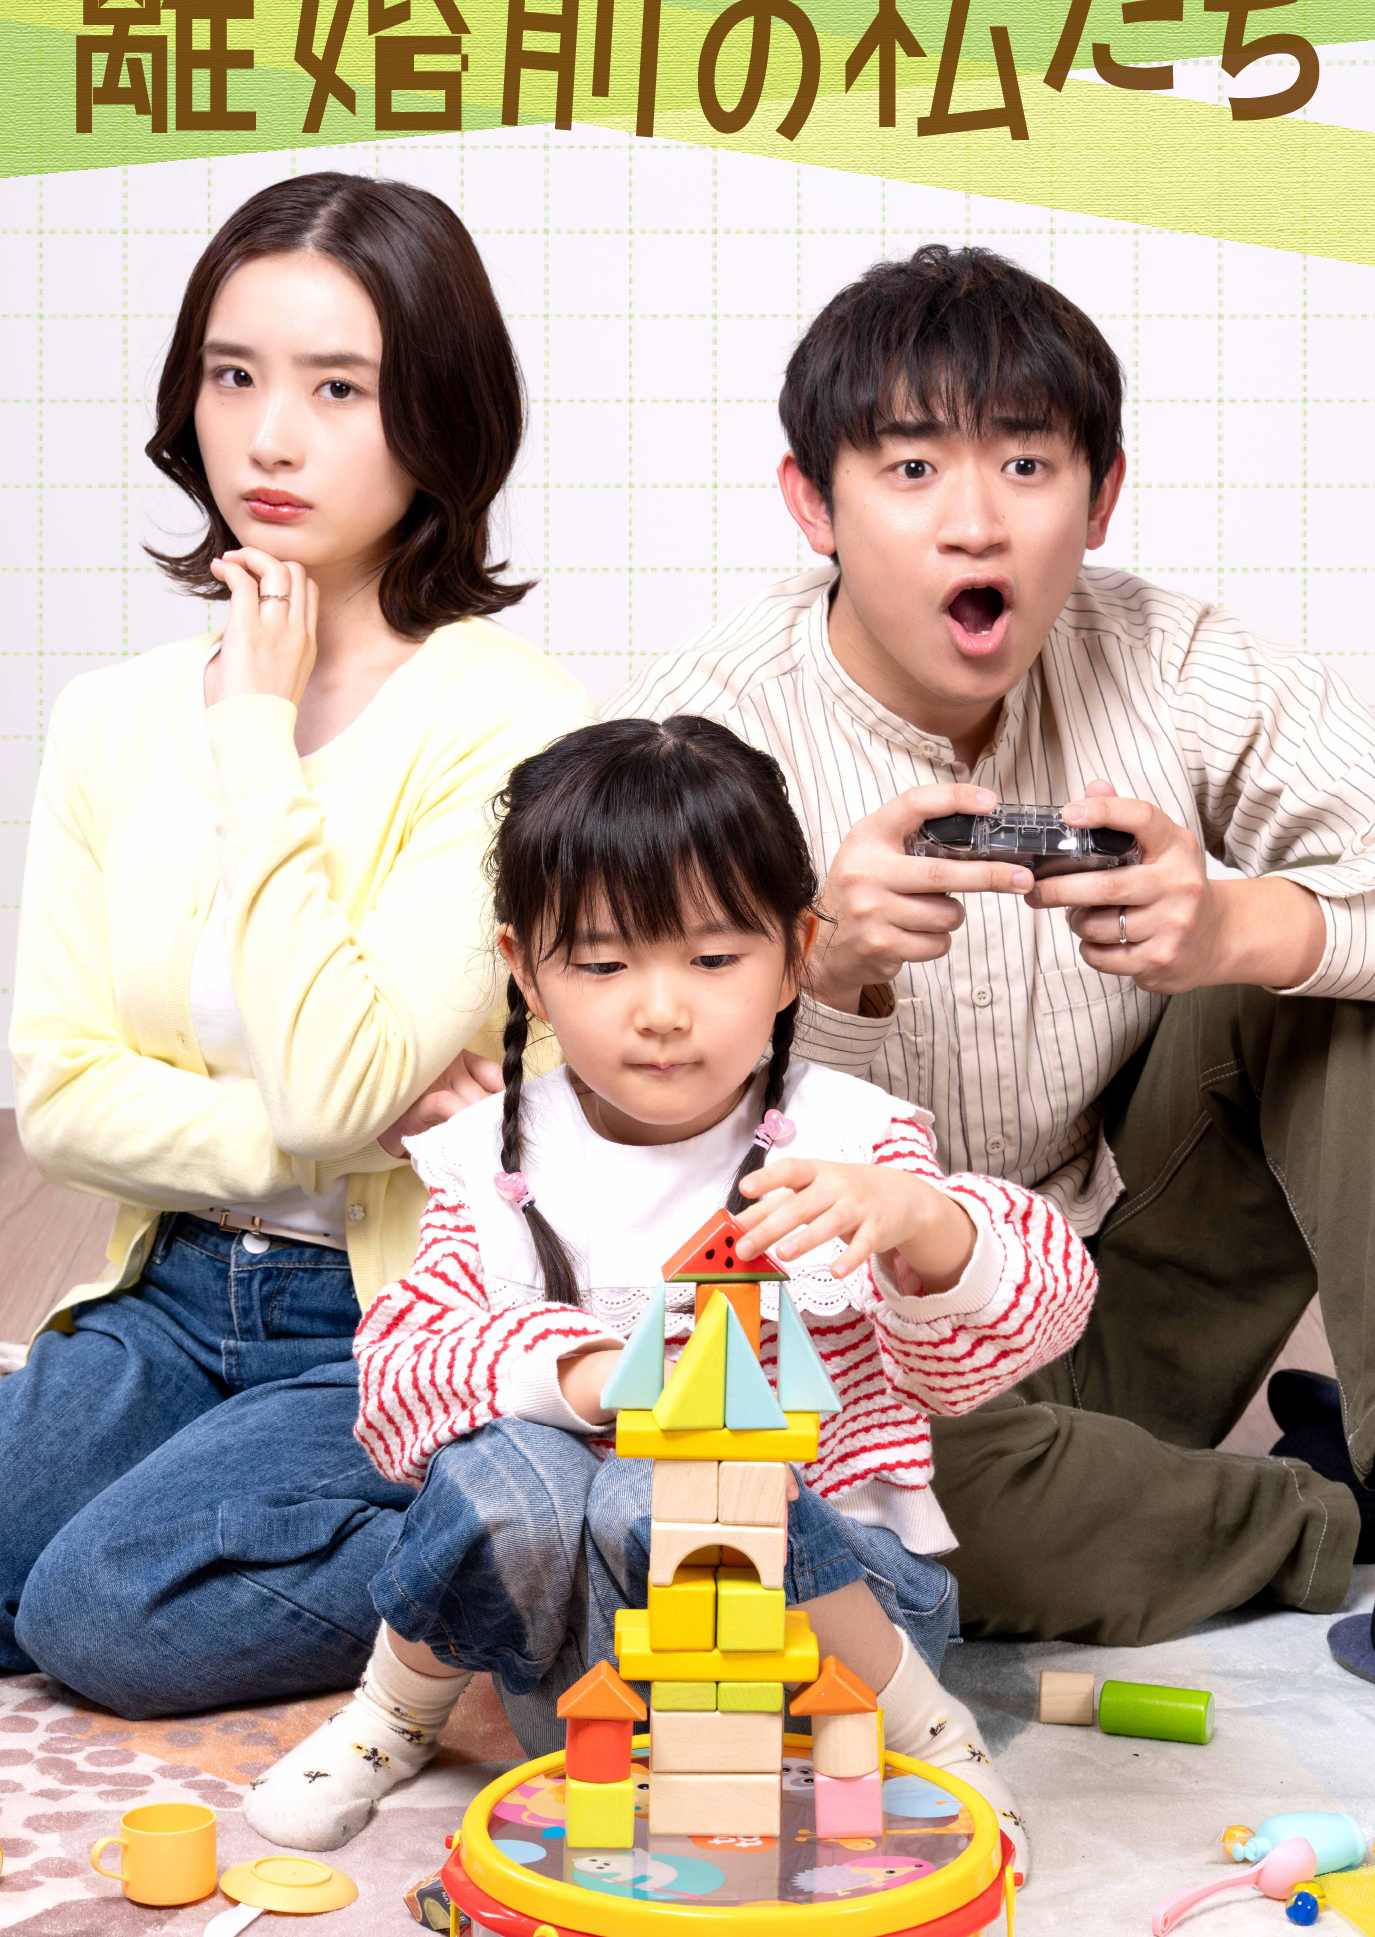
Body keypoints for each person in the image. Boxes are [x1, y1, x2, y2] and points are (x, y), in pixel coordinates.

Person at [608, 243, 1375, 1647]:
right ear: (809, 503)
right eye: (908, 472)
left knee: (1330, 985)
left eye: (1024, 466)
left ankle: (1233, 1471)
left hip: (1115, 1283)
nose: (974, 524)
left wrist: (1229, 921)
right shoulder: (710, 728)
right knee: (830, 1538)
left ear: (1099, 497)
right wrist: (815, 967)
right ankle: (1311, 1513)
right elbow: (614, 1111)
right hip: (870, 1354)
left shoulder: (1173, 658)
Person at [242, 715, 1097, 1872]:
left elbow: (1016, 1324)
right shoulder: (487, 1161)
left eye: (711, 958)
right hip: (593, 1672)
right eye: (601, 962)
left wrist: (923, 1223)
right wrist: (592, 1373)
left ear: (797, 952)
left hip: (825, 1655)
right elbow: (398, 1380)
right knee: (512, 1474)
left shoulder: (851, 1145)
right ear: (525, 972)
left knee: (692, 1484)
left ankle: (934, 1739)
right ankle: (393, 1713)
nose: (659, 1008)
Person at [2, 170, 594, 1715]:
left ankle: (536, 1530)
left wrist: (261, 727)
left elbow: (340, 1089)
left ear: (439, 421)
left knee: (99, 1617)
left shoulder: (511, 723)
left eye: (341, 388)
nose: (269, 437)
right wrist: (338, 1145)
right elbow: (59, 1093)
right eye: (233, 374)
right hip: (173, 1289)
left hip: (394, 1320)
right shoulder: (113, 720)